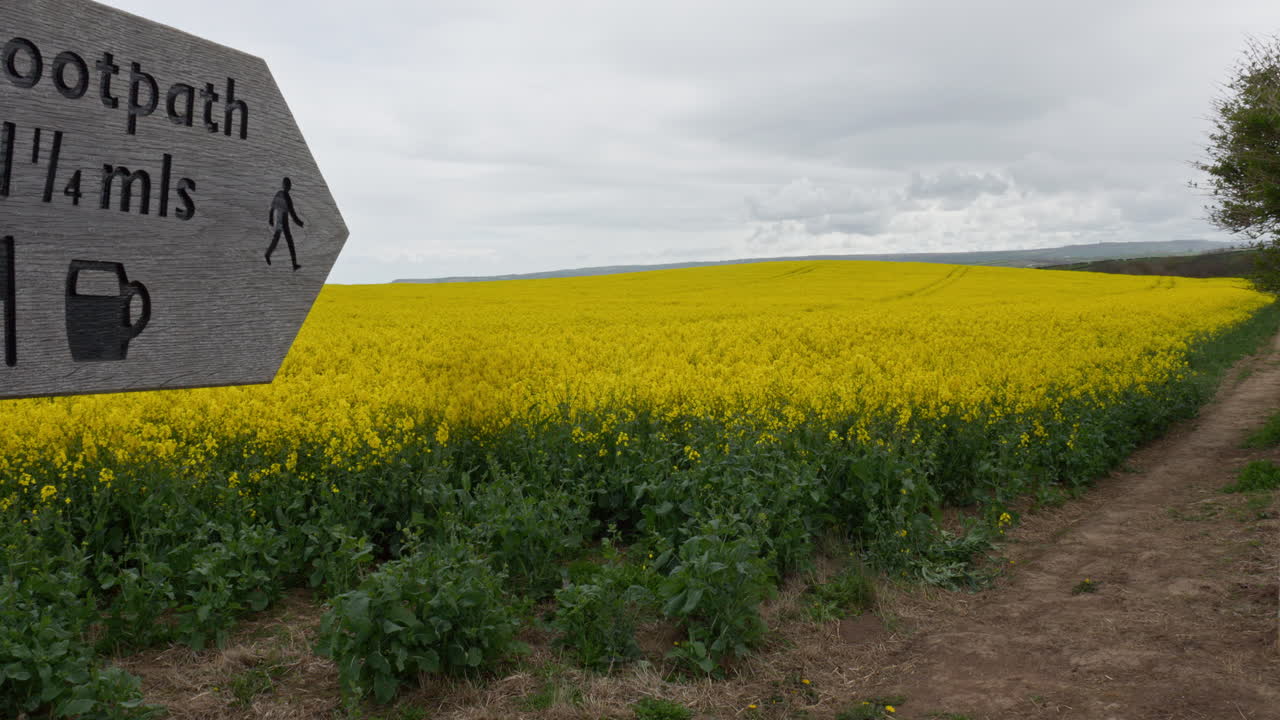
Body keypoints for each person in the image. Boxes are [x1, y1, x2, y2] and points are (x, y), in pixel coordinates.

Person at [265, 177, 304, 271]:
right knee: (289, 242)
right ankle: (294, 264)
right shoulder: (286, 197)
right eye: (288, 185)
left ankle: (267, 254)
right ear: (289, 186)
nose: (288, 186)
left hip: (279, 218)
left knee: (277, 239)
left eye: (287, 184)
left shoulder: (279, 193)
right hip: (283, 220)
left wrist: (271, 218)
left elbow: (272, 207)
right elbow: (292, 212)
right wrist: (300, 223)